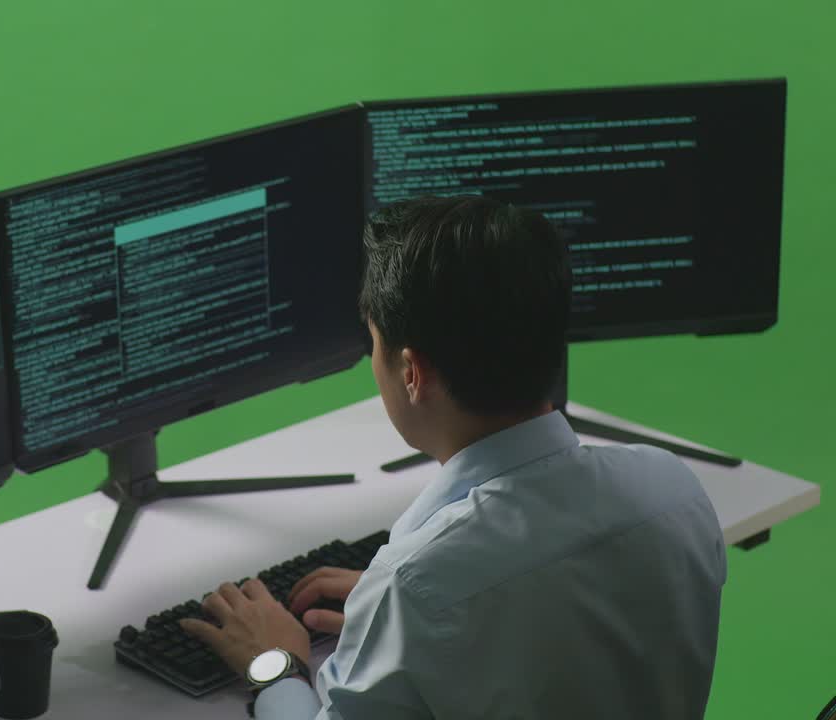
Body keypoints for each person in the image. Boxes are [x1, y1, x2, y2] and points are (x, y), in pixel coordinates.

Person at [179, 195, 727, 719]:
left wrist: (275, 666)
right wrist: (392, 612)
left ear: (412, 372)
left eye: (374, 342)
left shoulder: (417, 583)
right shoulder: (673, 490)